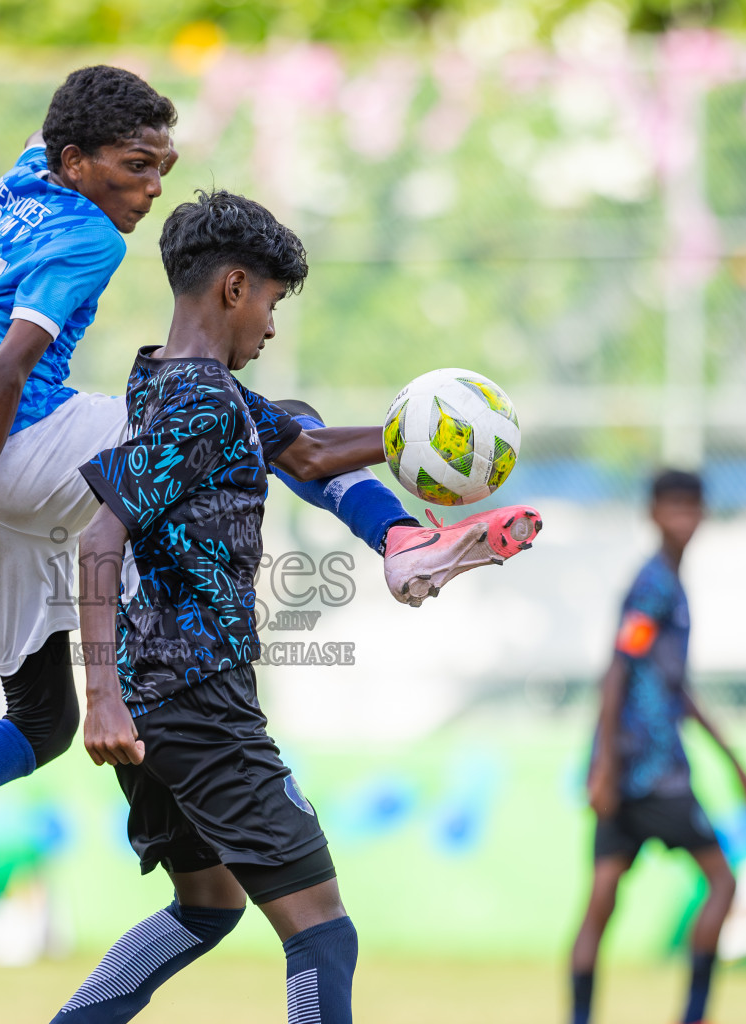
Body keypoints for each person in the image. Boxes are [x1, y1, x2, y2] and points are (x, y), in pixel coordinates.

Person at [0, 65, 540, 992]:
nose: (151, 189)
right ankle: (400, 544)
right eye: (135, 166)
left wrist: (392, 441)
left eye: (163, 166)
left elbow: (61, 150)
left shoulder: (19, 182)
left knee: (40, 723)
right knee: (237, 410)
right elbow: (5, 378)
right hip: (12, 450)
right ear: (76, 160)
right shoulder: (91, 240)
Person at [57, 188, 540, 1024]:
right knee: (322, 931)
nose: (273, 327)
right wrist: (96, 696)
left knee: (208, 904)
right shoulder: (202, 401)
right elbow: (99, 543)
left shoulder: (170, 381)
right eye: (272, 304)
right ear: (234, 289)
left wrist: (417, 434)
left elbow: (307, 449)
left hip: (159, 701)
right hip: (196, 699)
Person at [568, 469, 746, 1024]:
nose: (683, 518)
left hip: (632, 770)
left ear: (703, 514)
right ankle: (696, 1014)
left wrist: (735, 764)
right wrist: (603, 763)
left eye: (691, 507)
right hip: (652, 771)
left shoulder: (669, 583)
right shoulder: (654, 586)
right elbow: (617, 669)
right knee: (722, 882)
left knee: (602, 900)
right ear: (652, 514)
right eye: (672, 507)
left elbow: (676, 688)